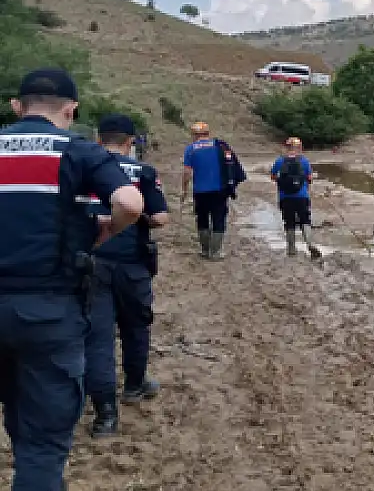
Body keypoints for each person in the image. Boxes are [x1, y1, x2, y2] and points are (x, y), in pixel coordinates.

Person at [0, 68, 143, 490]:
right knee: (42, 445)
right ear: (70, 109)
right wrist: (105, 232)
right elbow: (130, 203)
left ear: (16, 106)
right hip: (49, 313)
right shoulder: (78, 151)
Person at [83, 114, 169, 438]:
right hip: (132, 264)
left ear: (98, 138)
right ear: (131, 141)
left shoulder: (83, 166)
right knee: (135, 326)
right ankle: (134, 385)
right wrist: (140, 213)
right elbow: (161, 218)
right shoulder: (143, 172)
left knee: (97, 337)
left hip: (91, 261)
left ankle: (105, 414)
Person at [181, 122, 245, 260]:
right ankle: (215, 252)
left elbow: (187, 173)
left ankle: (205, 250)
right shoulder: (220, 146)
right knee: (219, 218)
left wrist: (184, 190)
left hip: (200, 191)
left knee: (202, 218)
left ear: (194, 135)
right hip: (220, 190)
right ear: (208, 133)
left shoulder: (191, 149)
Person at [270, 137, 322, 259]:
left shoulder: (279, 161)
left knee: (289, 222)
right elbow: (309, 178)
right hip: (302, 196)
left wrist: (281, 180)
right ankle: (310, 244)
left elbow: (272, 177)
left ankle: (291, 249)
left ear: (286, 147)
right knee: (305, 221)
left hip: (285, 197)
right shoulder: (304, 161)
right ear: (299, 147)